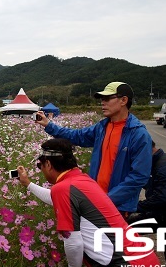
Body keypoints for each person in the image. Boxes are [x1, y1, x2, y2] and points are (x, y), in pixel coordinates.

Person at [17, 138, 161, 267]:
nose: (41, 170)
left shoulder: (62, 188)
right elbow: (54, 196)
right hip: (148, 265)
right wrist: (28, 184)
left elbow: (73, 242)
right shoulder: (81, 180)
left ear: (49, 164)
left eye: (40, 166)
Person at [34, 81, 152, 218]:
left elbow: (139, 176)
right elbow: (76, 136)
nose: (102, 102)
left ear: (124, 100)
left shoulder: (138, 134)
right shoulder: (102, 127)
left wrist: (108, 200)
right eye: (101, 99)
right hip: (95, 201)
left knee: (110, 239)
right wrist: (49, 125)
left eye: (107, 99)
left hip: (117, 208)